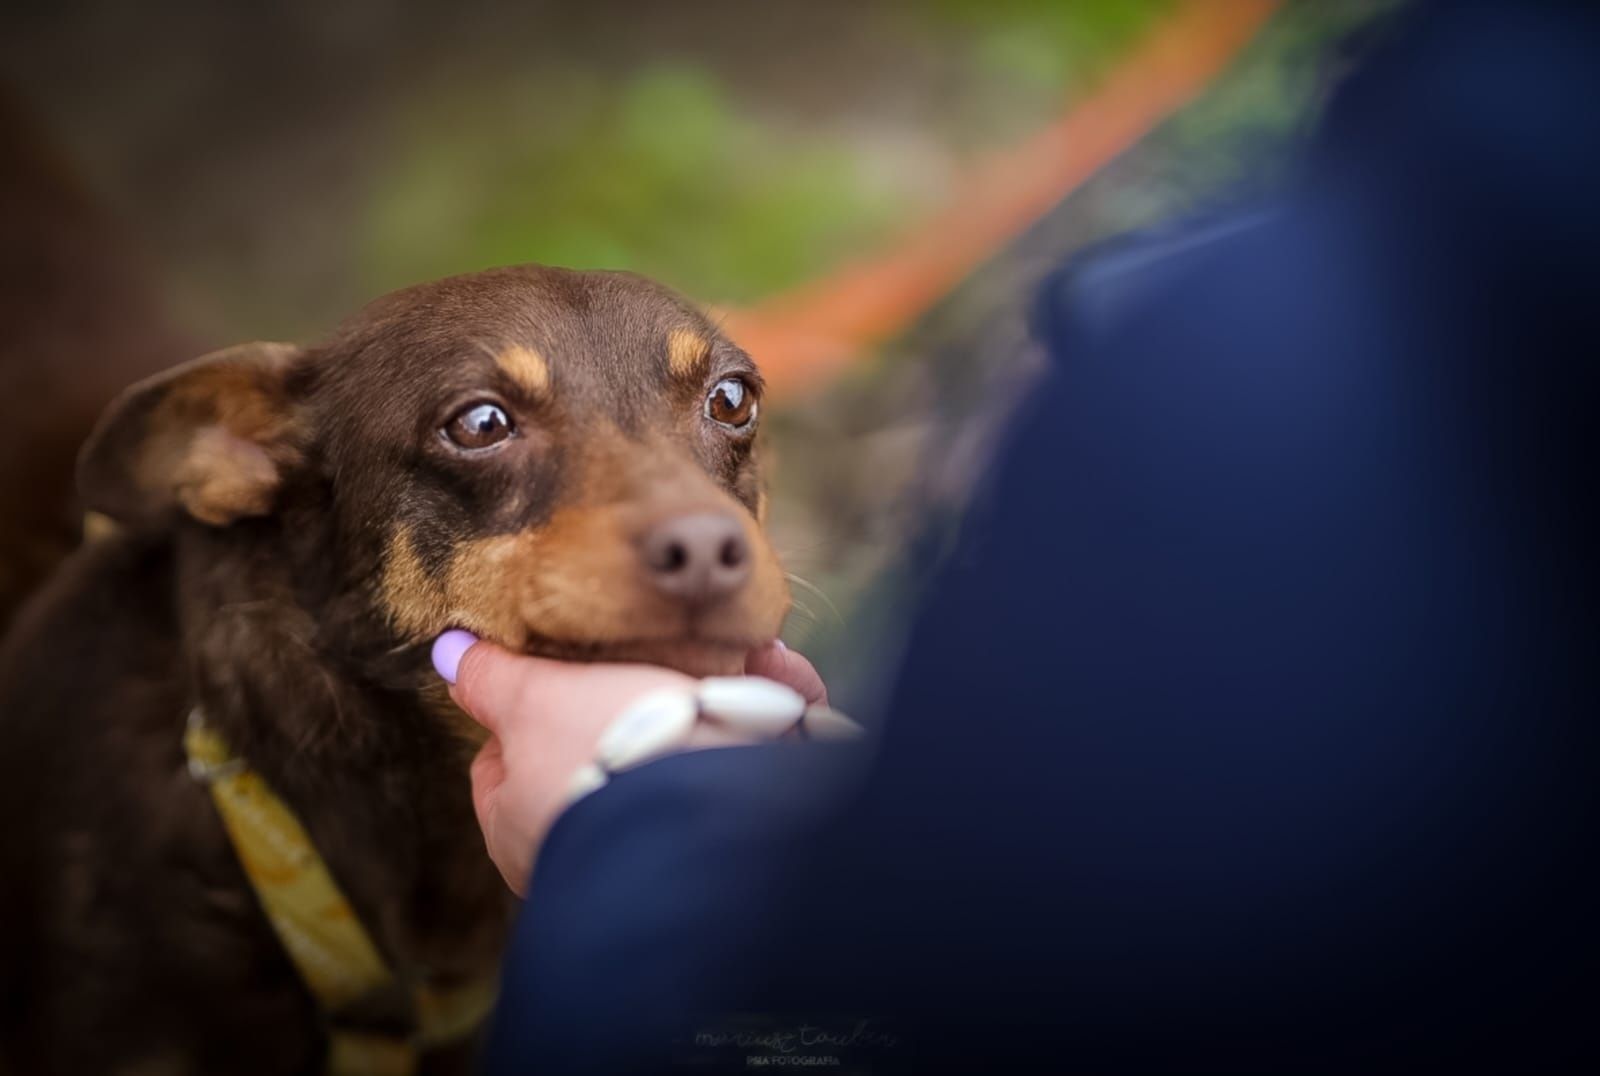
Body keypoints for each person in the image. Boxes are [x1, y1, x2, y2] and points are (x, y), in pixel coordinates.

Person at [438, 1, 1600, 1070]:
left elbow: (970, 1011)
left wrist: (634, 822)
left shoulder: (1309, 381)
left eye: (729, 406)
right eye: (485, 424)